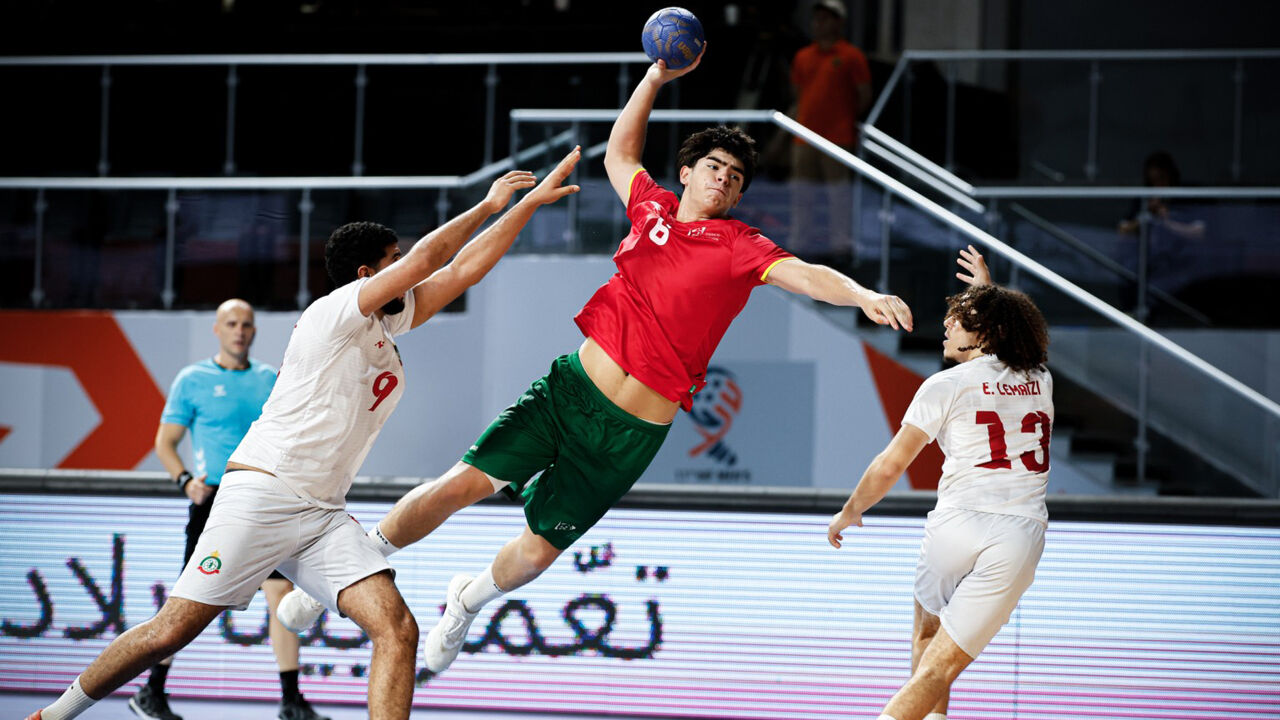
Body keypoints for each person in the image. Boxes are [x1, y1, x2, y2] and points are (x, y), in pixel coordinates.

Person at [275, 46, 914, 678]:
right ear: (687, 173)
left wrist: (861, 293)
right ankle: (347, 569)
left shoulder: (740, 245)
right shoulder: (651, 208)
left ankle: (465, 602)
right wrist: (655, 76)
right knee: (460, 486)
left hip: (631, 433)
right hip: (570, 392)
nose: (724, 179)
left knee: (532, 559)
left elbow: (804, 274)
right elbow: (621, 153)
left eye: (736, 177)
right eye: (714, 167)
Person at [24, 150, 582, 720]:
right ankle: (56, 713)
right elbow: (429, 260)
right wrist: (487, 204)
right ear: (368, 275)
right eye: (392, 261)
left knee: (397, 628)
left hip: (321, 514)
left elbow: (461, 270)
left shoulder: (386, 323)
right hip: (263, 496)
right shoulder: (335, 311)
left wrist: (528, 206)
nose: (405, 268)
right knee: (170, 633)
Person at [827, 245, 1053, 720]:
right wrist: (985, 295)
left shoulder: (944, 385)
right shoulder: (1040, 378)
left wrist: (852, 510)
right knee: (940, 667)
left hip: (956, 524)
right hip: (1017, 535)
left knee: (926, 641)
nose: (947, 324)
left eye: (959, 318)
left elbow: (891, 465)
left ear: (985, 331)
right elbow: (1004, 335)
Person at [127, 298, 329, 720]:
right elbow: (165, 442)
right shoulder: (192, 379)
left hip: (265, 499)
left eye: (247, 324)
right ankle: (151, 690)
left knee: (280, 594)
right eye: (232, 323)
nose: (240, 330)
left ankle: (291, 701)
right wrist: (186, 481)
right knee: (191, 602)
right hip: (216, 502)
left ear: (254, 331)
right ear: (217, 330)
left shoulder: (268, 380)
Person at [788, 0, 873, 260]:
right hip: (804, 137)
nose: (820, 23)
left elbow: (864, 95)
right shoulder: (803, 56)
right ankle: (799, 246)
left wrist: (843, 118)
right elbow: (798, 93)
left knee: (839, 197)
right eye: (817, 18)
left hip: (838, 138)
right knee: (802, 194)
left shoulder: (851, 56)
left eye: (826, 18)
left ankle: (841, 246)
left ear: (839, 22)